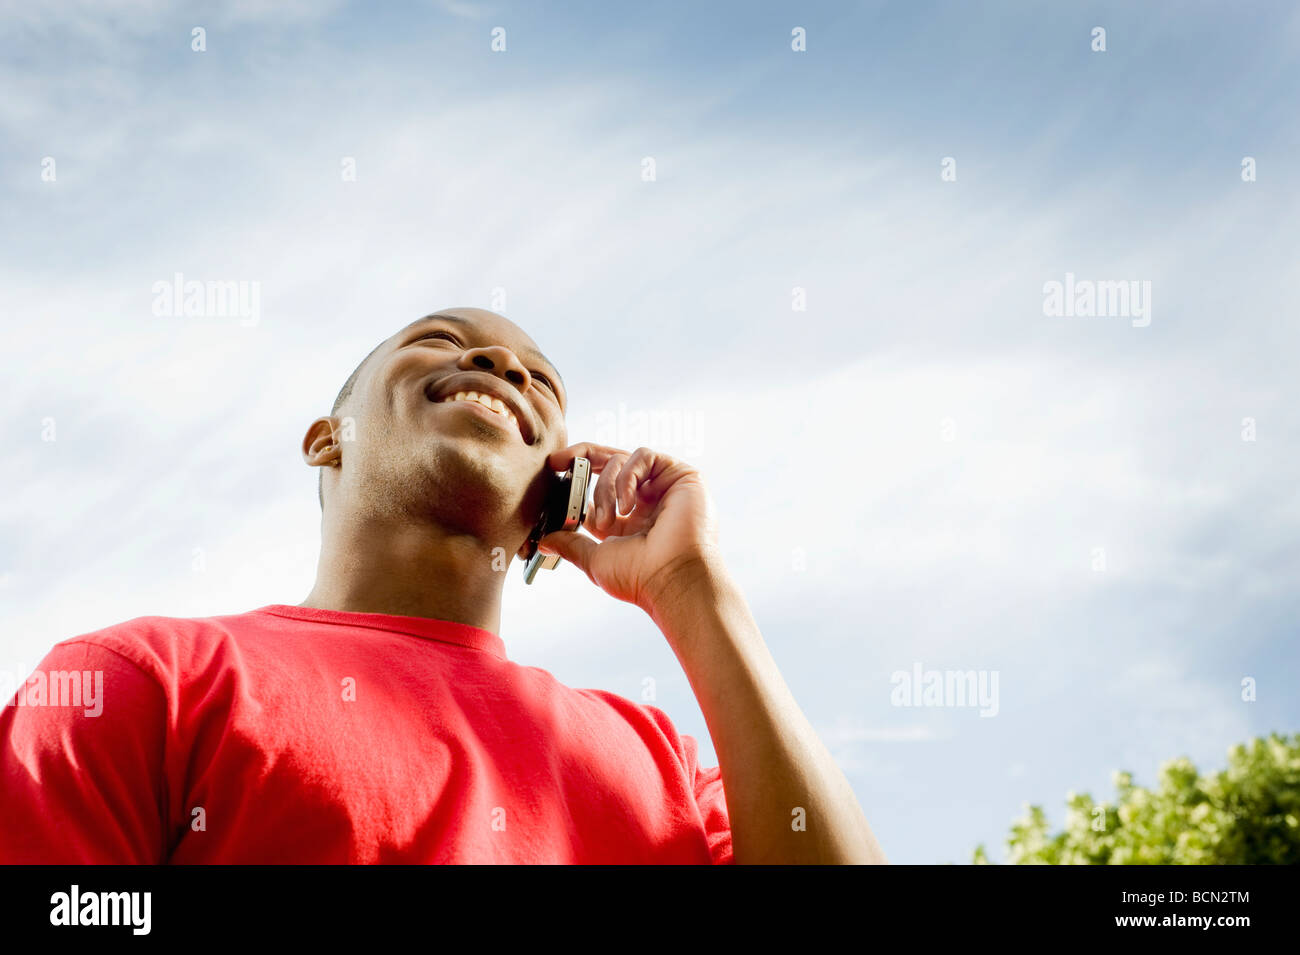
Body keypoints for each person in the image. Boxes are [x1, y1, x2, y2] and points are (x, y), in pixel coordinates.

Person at [0, 307, 886, 864]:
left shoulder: (660, 761)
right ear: (326, 438)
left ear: (559, 489)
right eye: (443, 342)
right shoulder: (144, 677)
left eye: (539, 379)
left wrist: (695, 588)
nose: (504, 370)